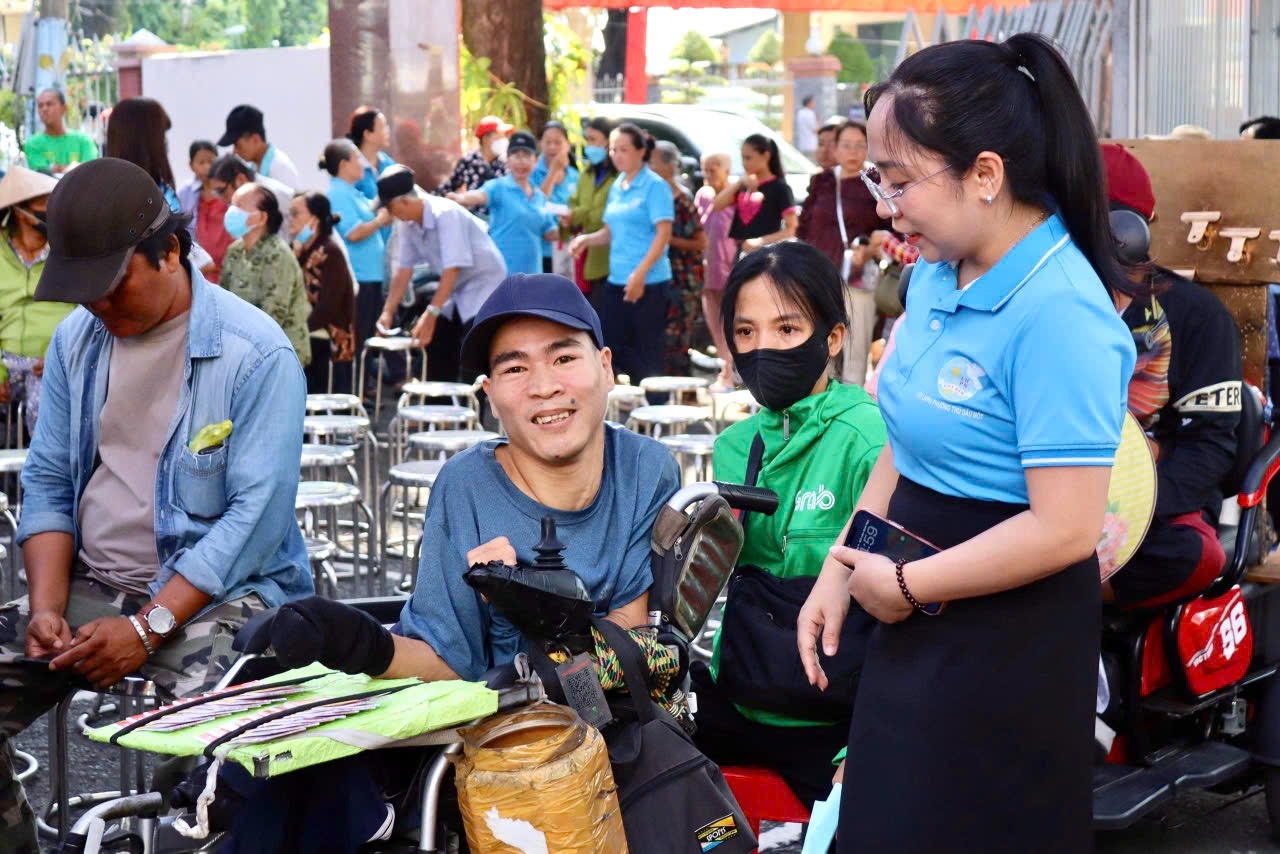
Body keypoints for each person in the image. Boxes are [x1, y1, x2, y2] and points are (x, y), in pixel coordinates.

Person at [796, 34, 1138, 852]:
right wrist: (842, 566)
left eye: (902, 180)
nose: (885, 204)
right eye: (878, 177)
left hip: (1003, 637)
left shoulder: (1061, 315)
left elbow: (1063, 527)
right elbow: (906, 444)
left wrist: (908, 587)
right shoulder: (939, 269)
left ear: (986, 175)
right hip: (910, 598)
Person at [221, 273, 680, 850]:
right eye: (515, 369)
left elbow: (630, 653)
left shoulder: (645, 468)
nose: (544, 386)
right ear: (490, 394)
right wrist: (346, 638)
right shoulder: (466, 486)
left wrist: (547, 614)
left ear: (607, 366)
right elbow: (446, 657)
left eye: (564, 356)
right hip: (463, 746)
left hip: (575, 762)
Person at [0, 157, 311, 850]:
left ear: (169, 253)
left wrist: (146, 628)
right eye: (81, 295)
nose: (96, 309)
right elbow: (49, 481)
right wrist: (47, 607)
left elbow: (250, 528)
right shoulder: (79, 341)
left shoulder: (256, 355)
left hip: (225, 599)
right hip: (94, 588)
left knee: (212, 749)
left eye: (111, 290)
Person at [691, 241, 886, 808]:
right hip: (744, 695)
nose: (763, 348)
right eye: (746, 332)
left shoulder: (868, 439)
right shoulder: (734, 446)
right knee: (641, 755)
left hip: (835, 721)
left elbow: (899, 586)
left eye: (785, 329)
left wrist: (867, 742)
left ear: (831, 339)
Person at [1100, 143, 1242, 607]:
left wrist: (1130, 516)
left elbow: (1211, 442)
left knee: (1193, 555)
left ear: (1128, 231)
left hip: (1145, 506)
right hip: (1039, 494)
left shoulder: (1196, 315)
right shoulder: (1030, 305)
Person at [376, 164, 506, 381]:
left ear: (404, 202)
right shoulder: (407, 223)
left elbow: (451, 268)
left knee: (472, 348)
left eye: (390, 209)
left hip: (482, 282)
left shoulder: (446, 214)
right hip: (453, 287)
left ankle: (472, 410)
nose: (390, 215)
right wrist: (388, 312)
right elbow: (403, 271)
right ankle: (439, 408)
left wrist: (431, 313)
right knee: (436, 344)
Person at [567, 123, 673, 384]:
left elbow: (663, 234)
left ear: (641, 151)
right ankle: (624, 404)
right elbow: (610, 231)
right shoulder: (618, 186)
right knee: (611, 345)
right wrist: (587, 239)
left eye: (623, 149)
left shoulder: (654, 186)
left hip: (649, 281)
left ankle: (653, 412)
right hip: (617, 279)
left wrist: (640, 274)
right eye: (613, 149)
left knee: (648, 353)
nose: (616, 154)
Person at [796, 121, 889, 386]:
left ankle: (850, 414)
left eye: (860, 146)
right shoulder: (822, 180)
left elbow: (891, 229)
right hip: (818, 278)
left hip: (856, 279)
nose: (853, 152)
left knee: (853, 353)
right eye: (846, 145)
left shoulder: (875, 182)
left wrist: (870, 248)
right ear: (835, 148)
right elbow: (805, 227)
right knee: (817, 347)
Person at [0, 167, 73, 434]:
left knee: (46, 412)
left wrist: (62, 356)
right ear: (20, 210)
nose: (52, 210)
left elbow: (87, 312)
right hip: (5, 360)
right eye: (44, 202)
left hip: (54, 362)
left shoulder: (70, 250)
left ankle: (43, 476)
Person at [320, 139, 392, 375]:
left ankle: (364, 387)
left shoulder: (352, 192)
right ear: (344, 164)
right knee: (359, 337)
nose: (362, 163)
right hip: (359, 276)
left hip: (370, 275)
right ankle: (357, 391)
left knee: (367, 337)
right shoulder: (338, 193)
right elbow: (353, 233)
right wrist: (380, 220)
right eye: (357, 158)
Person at [219, 183, 311, 367]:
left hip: (278, 354)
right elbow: (222, 301)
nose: (232, 211)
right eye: (232, 205)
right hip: (241, 351)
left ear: (261, 217)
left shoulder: (278, 255)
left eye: (240, 206)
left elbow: (273, 315)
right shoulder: (235, 251)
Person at [448, 130, 558, 276]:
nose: (521, 162)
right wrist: (461, 198)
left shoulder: (539, 197)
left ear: (535, 161)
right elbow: (480, 195)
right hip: (502, 275)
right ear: (508, 159)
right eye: (516, 156)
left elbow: (550, 234)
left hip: (533, 276)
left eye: (526, 156)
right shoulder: (498, 187)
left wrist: (570, 225)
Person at [290, 192, 357, 395]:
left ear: (314, 220)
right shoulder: (300, 251)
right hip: (310, 336)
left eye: (296, 214)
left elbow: (329, 304)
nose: (290, 219)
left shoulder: (330, 252)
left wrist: (299, 332)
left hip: (329, 340)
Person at [650, 140, 706, 376]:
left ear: (666, 166)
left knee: (678, 340)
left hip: (683, 280)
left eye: (652, 161)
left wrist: (665, 238)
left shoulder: (682, 201)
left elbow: (701, 242)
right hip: (659, 279)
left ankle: (684, 393)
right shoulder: (650, 196)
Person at [712, 134, 797, 255]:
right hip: (742, 252)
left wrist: (761, 241)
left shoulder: (780, 188)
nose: (744, 163)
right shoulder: (744, 184)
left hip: (766, 254)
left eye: (748, 158)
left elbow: (791, 228)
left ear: (766, 156)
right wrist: (740, 182)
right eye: (742, 158)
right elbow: (717, 205)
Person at [696, 152, 738, 391]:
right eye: (705, 169)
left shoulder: (736, 194)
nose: (708, 174)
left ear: (726, 170)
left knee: (731, 319)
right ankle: (725, 367)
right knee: (714, 319)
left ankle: (732, 370)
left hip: (729, 266)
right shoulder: (702, 195)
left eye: (714, 169)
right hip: (707, 267)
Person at [565, 117, 618, 304]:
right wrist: (570, 217)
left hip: (611, 257)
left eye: (594, 139)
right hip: (586, 255)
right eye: (587, 139)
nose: (589, 145)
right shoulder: (587, 173)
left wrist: (579, 213)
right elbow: (574, 202)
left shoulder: (619, 176)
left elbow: (601, 214)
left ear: (608, 141)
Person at [104, 97, 182, 213]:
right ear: (145, 139)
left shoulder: (159, 186)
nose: (165, 141)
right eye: (162, 134)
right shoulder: (132, 198)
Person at [435, 114, 512, 219]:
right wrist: (430, 200)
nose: (504, 139)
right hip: (475, 218)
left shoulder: (505, 164)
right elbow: (449, 186)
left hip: (500, 219)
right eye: (499, 135)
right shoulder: (469, 161)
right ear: (486, 138)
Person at [177, 140, 233, 282]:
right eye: (201, 162)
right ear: (191, 165)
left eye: (211, 161)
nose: (207, 167)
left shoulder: (229, 188)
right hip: (201, 264)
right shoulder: (185, 192)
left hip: (228, 262)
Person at [530, 120, 579, 273]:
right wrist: (552, 173)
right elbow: (535, 205)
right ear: (540, 144)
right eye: (548, 142)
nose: (552, 147)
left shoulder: (576, 176)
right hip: (541, 251)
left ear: (567, 145)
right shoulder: (531, 174)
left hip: (569, 249)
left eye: (558, 142)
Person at [209, 154, 294, 237]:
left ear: (240, 179)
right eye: (216, 193)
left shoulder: (277, 194)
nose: (221, 198)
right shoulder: (238, 200)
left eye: (221, 191)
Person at [218, 105, 301, 190]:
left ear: (255, 139)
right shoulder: (250, 166)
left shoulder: (280, 167)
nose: (234, 151)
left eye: (238, 145)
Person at [23, 88, 98, 174]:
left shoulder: (84, 140)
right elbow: (44, 175)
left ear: (64, 108)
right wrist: (75, 168)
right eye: (40, 105)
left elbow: (90, 170)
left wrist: (57, 168)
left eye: (49, 104)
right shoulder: (32, 144)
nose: (44, 109)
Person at [346, 105, 396, 201]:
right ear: (367, 134)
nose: (388, 131)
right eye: (383, 127)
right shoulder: (351, 168)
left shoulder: (387, 162)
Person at [795, 95, 819, 160]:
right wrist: (818, 122)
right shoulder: (810, 113)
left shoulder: (800, 113)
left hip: (802, 144)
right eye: (813, 102)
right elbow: (815, 129)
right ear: (809, 103)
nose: (814, 104)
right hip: (811, 145)